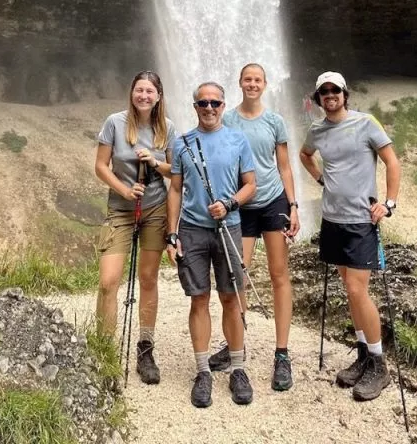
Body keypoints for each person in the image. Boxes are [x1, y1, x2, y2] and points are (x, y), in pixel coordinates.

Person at [299, 71, 401, 402]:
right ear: (318, 98)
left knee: (358, 291)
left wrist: (388, 204)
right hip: (332, 220)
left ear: (345, 94)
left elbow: (392, 162)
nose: (330, 95)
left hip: (360, 221)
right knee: (349, 289)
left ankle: (379, 365)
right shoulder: (317, 130)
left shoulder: (366, 123)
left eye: (335, 90)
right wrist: (319, 180)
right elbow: (304, 154)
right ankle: (362, 355)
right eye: (323, 92)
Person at [209, 62, 299, 391]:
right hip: (241, 203)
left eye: (257, 79)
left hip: (273, 200)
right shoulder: (228, 119)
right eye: (247, 79)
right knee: (238, 275)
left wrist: (294, 206)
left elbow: (285, 168)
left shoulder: (275, 121)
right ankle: (237, 345)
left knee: (279, 274)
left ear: (265, 84)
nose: (252, 84)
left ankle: (282, 354)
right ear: (240, 83)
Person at [166, 81, 257, 408]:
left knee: (231, 298)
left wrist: (230, 203)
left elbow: (251, 185)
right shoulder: (182, 144)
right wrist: (171, 233)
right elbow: (175, 190)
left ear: (223, 105)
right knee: (199, 299)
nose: (208, 108)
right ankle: (203, 371)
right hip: (192, 230)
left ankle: (237, 368)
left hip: (229, 227)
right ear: (195, 107)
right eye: (202, 103)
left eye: (215, 103)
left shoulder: (237, 139)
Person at [94, 70, 176, 385]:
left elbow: (175, 172)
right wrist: (125, 191)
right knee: (107, 281)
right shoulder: (114, 123)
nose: (143, 95)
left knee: (147, 278)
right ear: (132, 92)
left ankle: (145, 346)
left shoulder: (168, 129)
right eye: (139, 90)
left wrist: (155, 162)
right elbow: (101, 166)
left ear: (158, 96)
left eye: (149, 91)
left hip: (155, 209)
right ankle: (104, 350)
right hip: (120, 209)